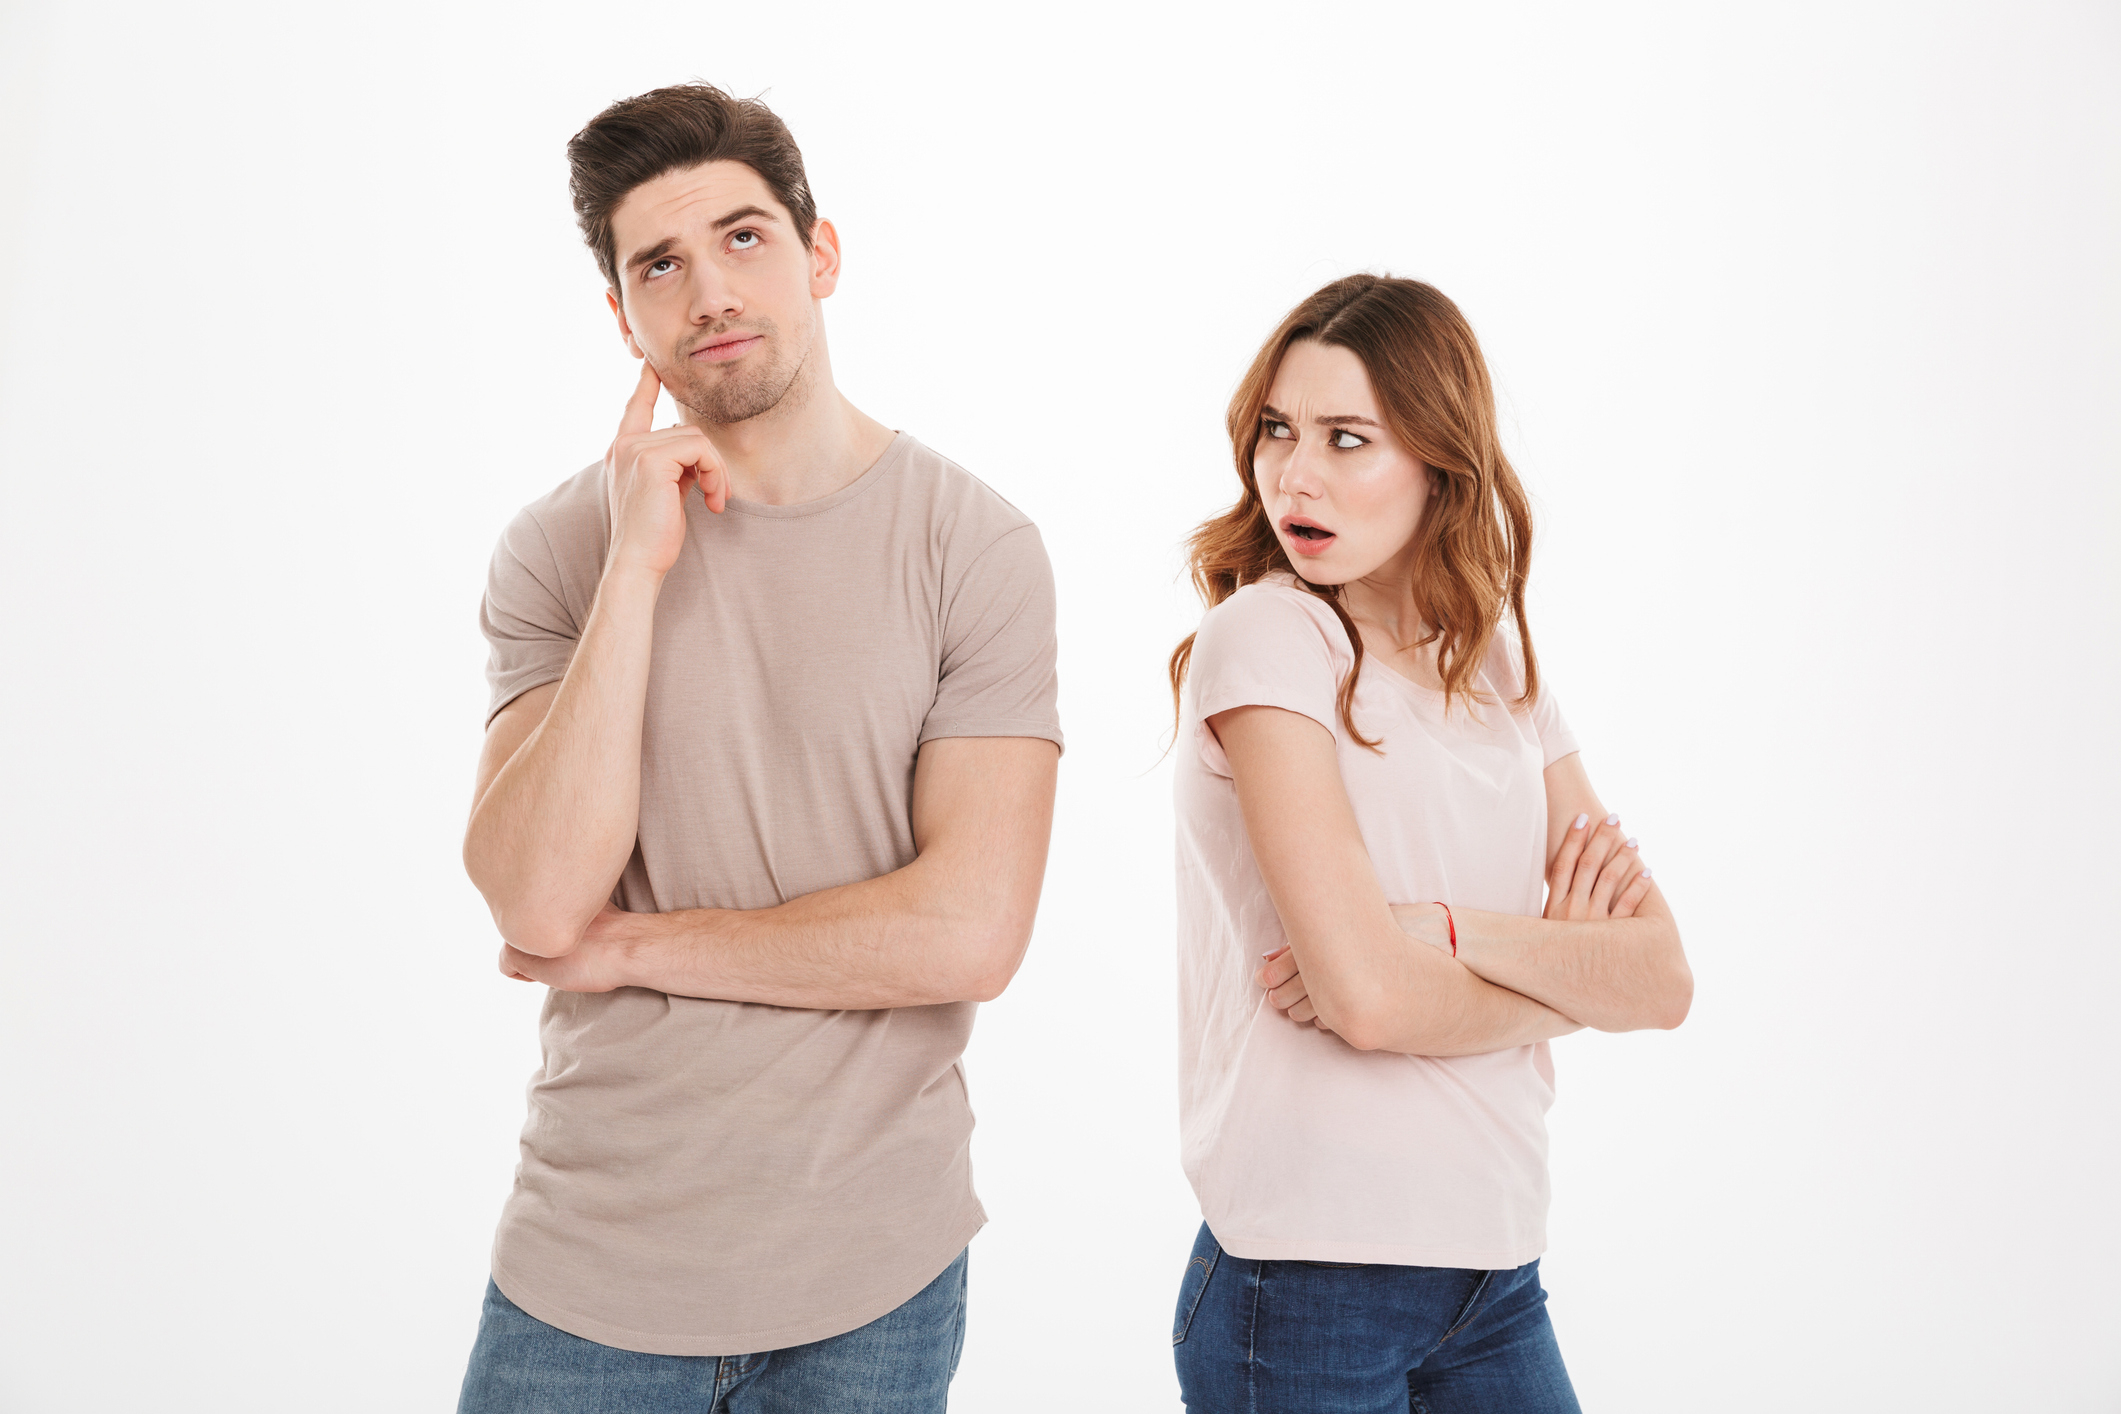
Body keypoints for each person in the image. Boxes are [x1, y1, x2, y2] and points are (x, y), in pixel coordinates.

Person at [454, 83, 1063, 1412]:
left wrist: (638, 946)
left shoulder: (977, 547)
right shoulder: (558, 550)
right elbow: (537, 896)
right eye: (658, 264)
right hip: (589, 1271)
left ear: (820, 253)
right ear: (622, 317)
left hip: (873, 1277)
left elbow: (968, 932)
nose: (708, 292)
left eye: (743, 239)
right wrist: (634, 572)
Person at [1165, 274, 1691, 1411]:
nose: (1295, 474)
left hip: (1496, 1272)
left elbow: (1662, 979)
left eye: (1347, 439)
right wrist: (1565, 978)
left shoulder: (1497, 663)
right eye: (1278, 431)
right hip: (1305, 1283)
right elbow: (1369, 1000)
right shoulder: (1270, 639)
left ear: (1439, 461)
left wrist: (1444, 933)